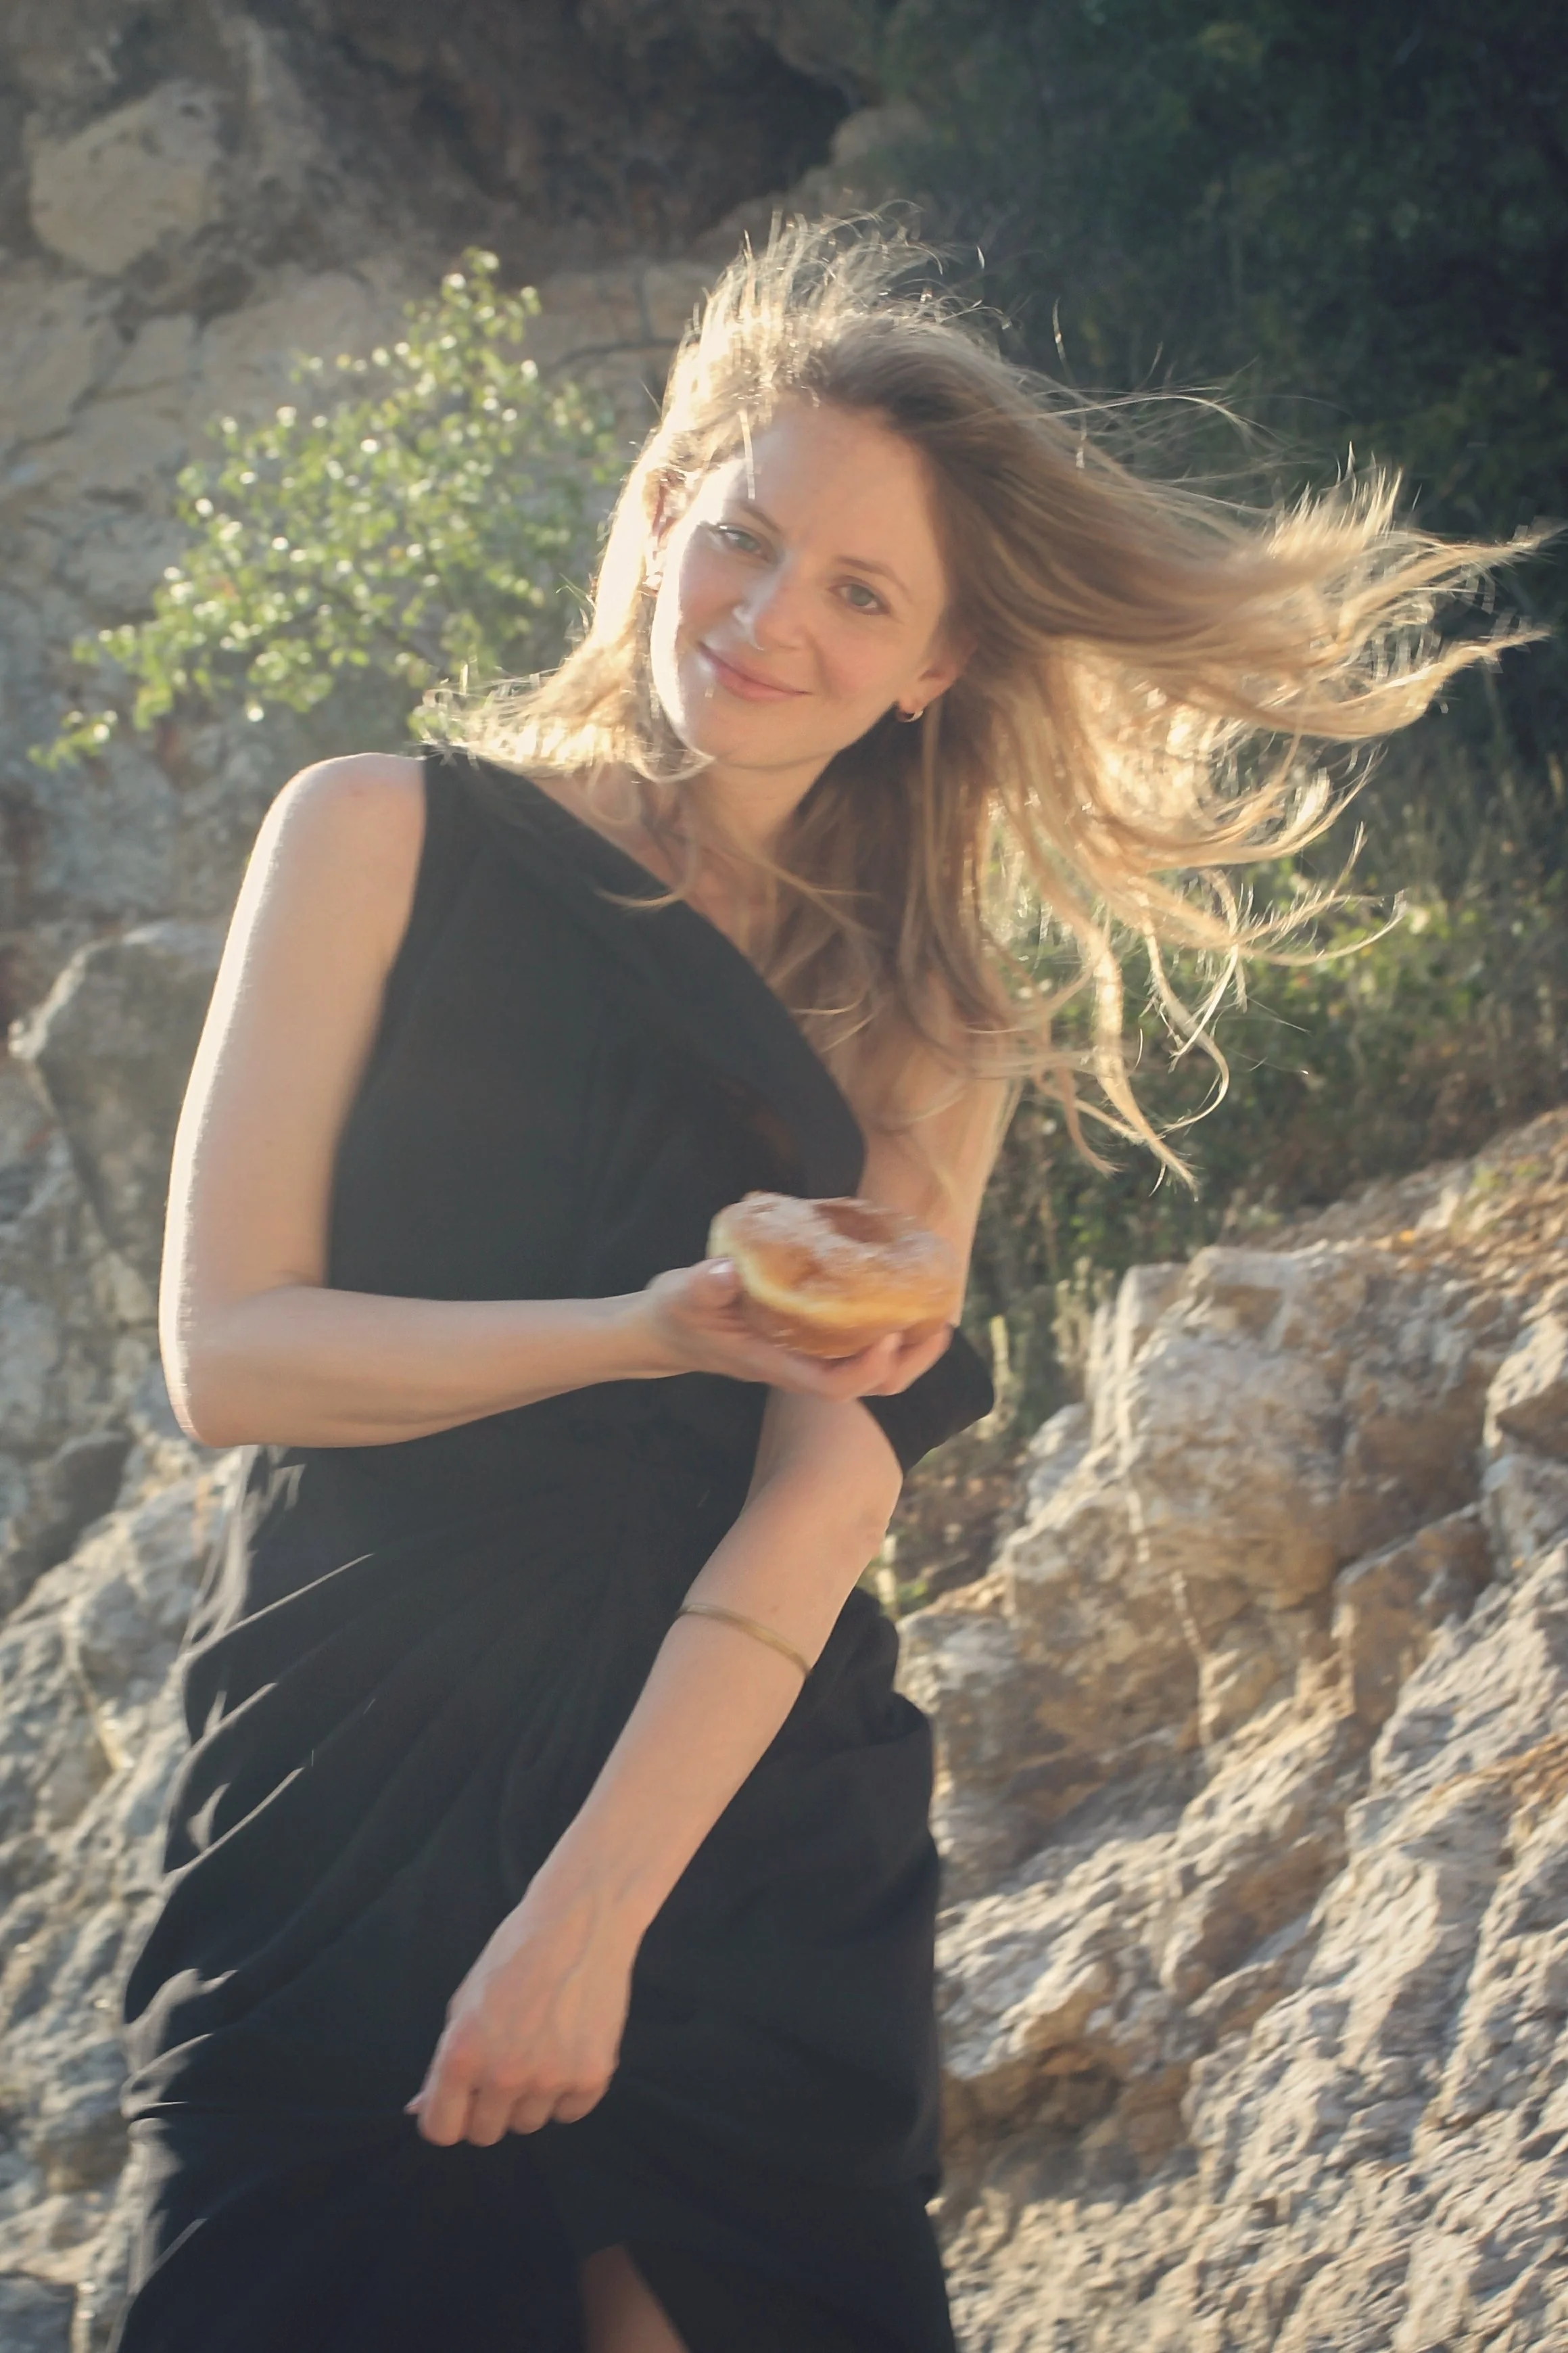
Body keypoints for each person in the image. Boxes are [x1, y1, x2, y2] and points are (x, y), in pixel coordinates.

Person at [113, 219, 1523, 2352]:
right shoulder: (372, 834)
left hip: (724, 1819)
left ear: (935, 663)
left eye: (858, 591)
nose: (771, 621)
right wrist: (639, 1328)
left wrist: (585, 1921)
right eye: (744, 539)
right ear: (663, 509)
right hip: (345, 1766)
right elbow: (230, 1357)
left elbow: (825, 1487)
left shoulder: (928, 1022)